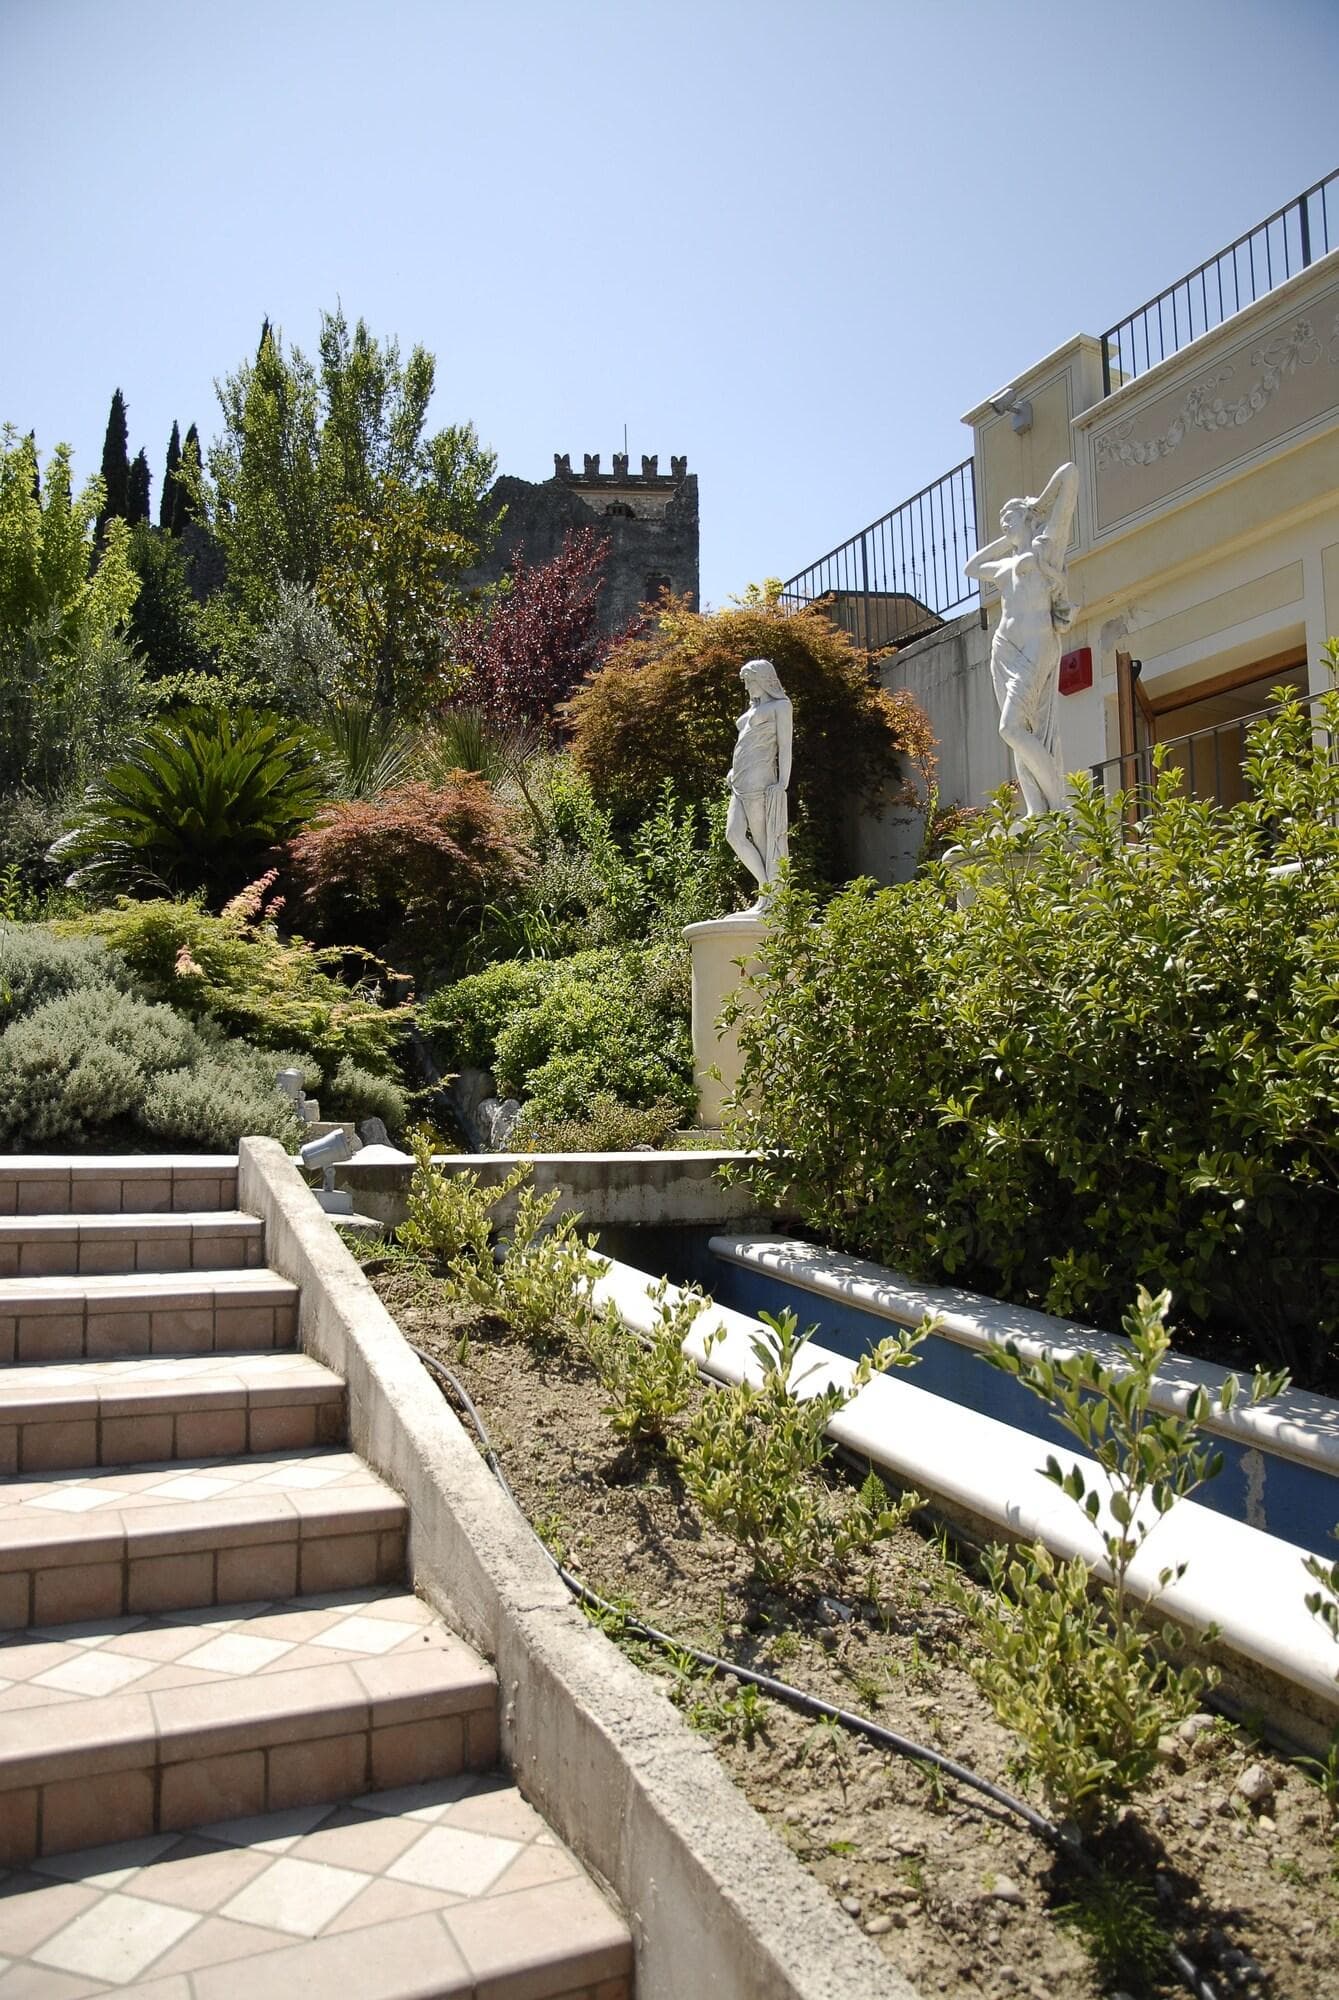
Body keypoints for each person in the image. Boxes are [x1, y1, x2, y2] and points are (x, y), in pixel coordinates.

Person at [964, 461, 1080, 819]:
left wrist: (1039, 505)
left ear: (1029, 519)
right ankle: (1036, 808)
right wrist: (1009, 538)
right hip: (1005, 649)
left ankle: (1058, 805)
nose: (1004, 523)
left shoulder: (1046, 548)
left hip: (1037, 645)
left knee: (1011, 728)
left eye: (1010, 519)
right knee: (1020, 732)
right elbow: (971, 567)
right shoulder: (1002, 568)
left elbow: (1070, 475)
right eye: (1002, 522)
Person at [726, 658, 792, 907]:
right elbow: (744, 746)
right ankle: (769, 891)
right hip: (739, 781)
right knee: (733, 835)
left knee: (765, 842)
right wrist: (733, 769)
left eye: (750, 681)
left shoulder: (781, 706)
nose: (747, 687)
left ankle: (771, 897)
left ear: (764, 679)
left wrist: (782, 782)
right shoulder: (751, 712)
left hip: (760, 781)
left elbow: (785, 746)